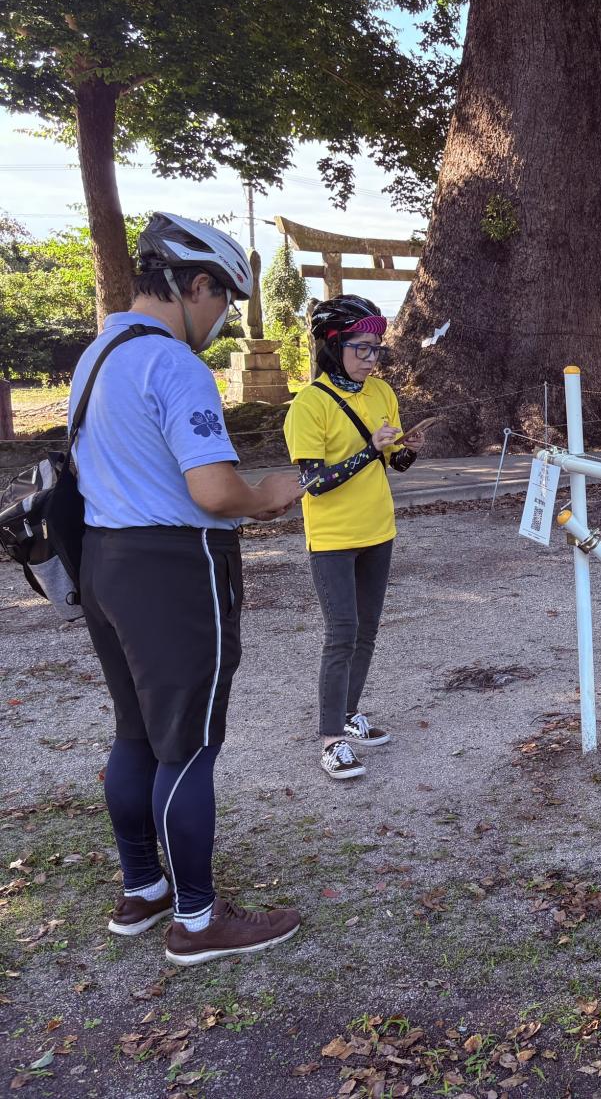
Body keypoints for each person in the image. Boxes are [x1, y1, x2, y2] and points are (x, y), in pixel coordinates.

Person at [72, 212, 304, 965]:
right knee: (191, 746)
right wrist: (267, 494)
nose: (224, 319)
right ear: (193, 284)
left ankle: (143, 889)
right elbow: (211, 490)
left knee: (136, 732)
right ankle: (198, 923)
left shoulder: (97, 354)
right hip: (174, 566)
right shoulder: (173, 364)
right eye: (225, 300)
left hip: (104, 559)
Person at [282, 296, 427, 781]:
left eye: (376, 350)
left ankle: (350, 714)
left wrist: (409, 449)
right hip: (332, 538)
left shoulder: (382, 393)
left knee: (367, 630)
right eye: (361, 348)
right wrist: (370, 451)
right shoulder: (310, 405)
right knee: (341, 634)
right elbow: (314, 482)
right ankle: (331, 740)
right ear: (332, 345)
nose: (371, 359)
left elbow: (395, 461)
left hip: (378, 530)